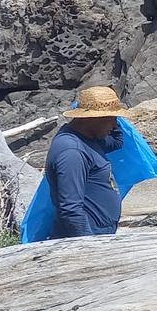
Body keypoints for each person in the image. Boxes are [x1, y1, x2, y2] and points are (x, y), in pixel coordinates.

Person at [45, 86, 128, 238]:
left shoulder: (90, 138)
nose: (115, 125)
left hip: (100, 234)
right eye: (112, 120)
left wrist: (113, 113)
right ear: (91, 118)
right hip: (87, 239)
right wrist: (89, 246)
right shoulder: (72, 152)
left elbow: (117, 142)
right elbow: (71, 209)